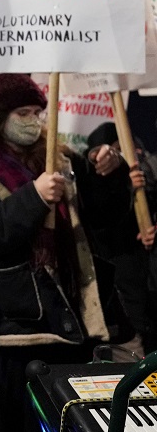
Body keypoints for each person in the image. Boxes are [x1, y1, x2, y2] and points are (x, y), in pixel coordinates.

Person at [0, 73, 141, 432]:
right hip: (23, 324)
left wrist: (109, 172)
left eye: (38, 111)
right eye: (23, 111)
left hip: (74, 316)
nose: (33, 119)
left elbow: (104, 220)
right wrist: (34, 196)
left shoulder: (62, 157)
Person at [83, 122, 155, 354]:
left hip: (148, 273)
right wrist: (124, 186)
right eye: (115, 148)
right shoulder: (96, 183)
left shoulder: (147, 170)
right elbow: (103, 219)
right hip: (122, 274)